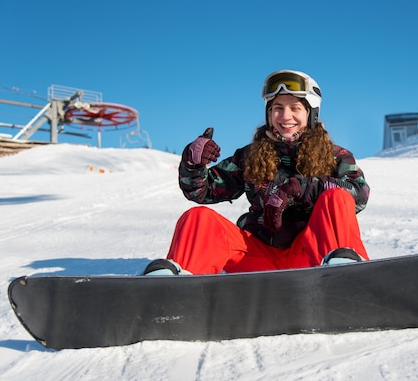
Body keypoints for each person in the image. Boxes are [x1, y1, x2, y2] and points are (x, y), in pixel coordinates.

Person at [143, 70, 370, 276]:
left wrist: (300, 187)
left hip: (311, 254)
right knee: (198, 217)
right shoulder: (250, 156)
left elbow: (359, 195)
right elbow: (203, 191)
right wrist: (193, 164)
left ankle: (346, 273)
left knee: (337, 197)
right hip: (256, 258)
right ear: (269, 113)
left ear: (311, 114)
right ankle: (174, 287)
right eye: (278, 108)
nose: (285, 116)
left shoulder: (335, 156)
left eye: (295, 108)